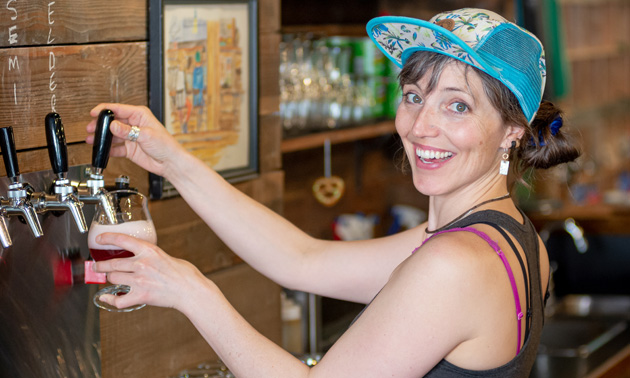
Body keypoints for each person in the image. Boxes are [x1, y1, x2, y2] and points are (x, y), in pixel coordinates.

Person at [86, 8, 580, 377]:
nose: (421, 126)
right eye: (414, 96)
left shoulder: (453, 264)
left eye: (458, 106)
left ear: (511, 130)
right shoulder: (505, 235)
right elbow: (302, 259)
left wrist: (191, 290)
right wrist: (173, 160)